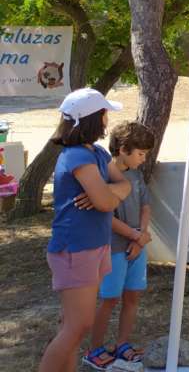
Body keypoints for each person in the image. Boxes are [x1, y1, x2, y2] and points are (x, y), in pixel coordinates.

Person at [39, 88, 131, 372]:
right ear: (94, 118)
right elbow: (106, 203)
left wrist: (106, 191)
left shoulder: (98, 153)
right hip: (76, 249)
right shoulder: (77, 156)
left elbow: (125, 185)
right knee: (77, 326)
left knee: (73, 326)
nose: (107, 119)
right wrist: (105, 194)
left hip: (94, 246)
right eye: (104, 113)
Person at [88, 122, 156, 368]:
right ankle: (94, 349)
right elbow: (105, 216)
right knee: (110, 299)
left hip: (137, 247)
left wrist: (142, 235)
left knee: (132, 296)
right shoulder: (103, 176)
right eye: (141, 154)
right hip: (114, 248)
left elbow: (146, 206)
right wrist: (135, 236)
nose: (144, 159)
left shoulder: (136, 175)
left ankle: (122, 344)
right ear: (123, 149)